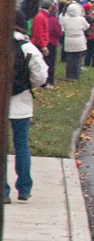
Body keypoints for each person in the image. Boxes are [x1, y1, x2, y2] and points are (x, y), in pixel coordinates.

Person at [6, 11, 48, 204]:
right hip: (21, 102)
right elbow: (40, 78)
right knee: (21, 144)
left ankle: (3, 191)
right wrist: (26, 84)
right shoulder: (28, 48)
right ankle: (24, 188)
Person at [62, 2, 90, 80]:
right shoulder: (81, 19)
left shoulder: (65, 19)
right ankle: (76, 75)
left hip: (68, 40)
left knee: (69, 59)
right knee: (78, 59)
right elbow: (86, 27)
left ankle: (69, 75)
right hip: (79, 40)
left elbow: (63, 26)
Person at [45, 3, 63, 88]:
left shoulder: (45, 19)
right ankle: (50, 81)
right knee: (51, 63)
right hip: (52, 43)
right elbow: (58, 33)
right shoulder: (55, 20)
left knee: (44, 61)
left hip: (44, 42)